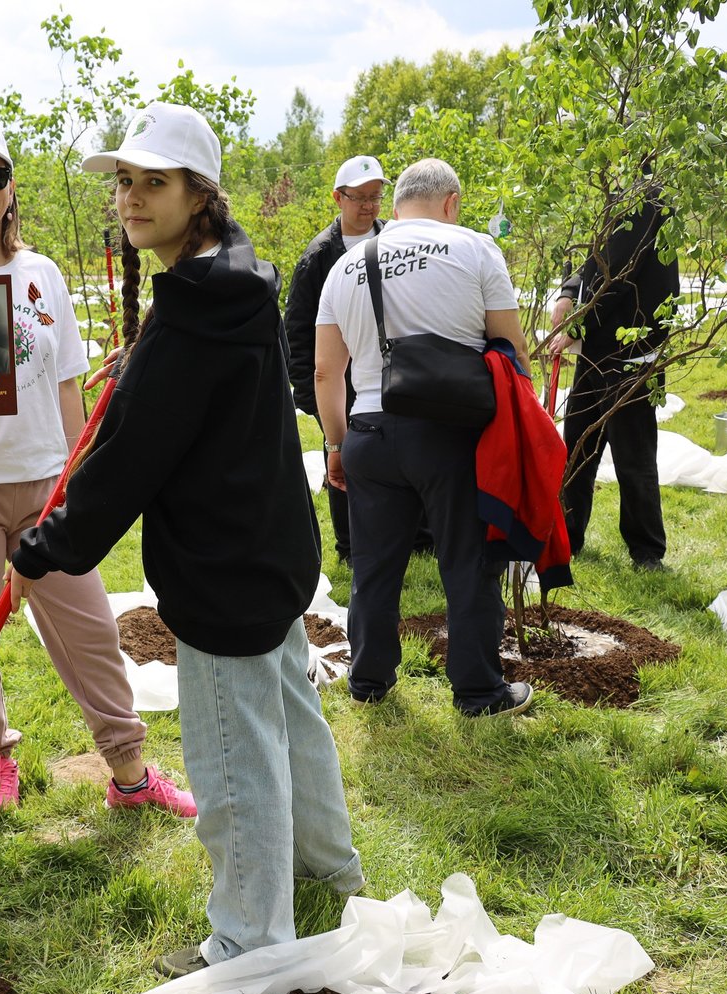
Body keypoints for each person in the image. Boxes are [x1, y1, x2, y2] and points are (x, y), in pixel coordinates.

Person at [9, 102, 363, 976]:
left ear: (198, 194)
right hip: (272, 551)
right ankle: (329, 871)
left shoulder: (192, 314)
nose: (130, 198)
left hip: (222, 569)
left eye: (152, 183)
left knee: (234, 761)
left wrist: (43, 548)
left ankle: (249, 940)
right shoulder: (235, 278)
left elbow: (128, 463)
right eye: (125, 182)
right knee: (293, 721)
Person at [0, 117, 191, 820]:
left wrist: (78, 480)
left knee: (90, 629)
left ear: (9, 187)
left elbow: (67, 386)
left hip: (43, 485)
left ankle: (129, 773)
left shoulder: (43, 275)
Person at [313, 158, 535, 718]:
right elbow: (513, 349)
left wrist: (336, 445)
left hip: (368, 432)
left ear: (394, 207)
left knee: (373, 567)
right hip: (451, 433)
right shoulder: (475, 248)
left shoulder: (346, 266)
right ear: (451, 203)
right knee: (468, 563)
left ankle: (368, 680)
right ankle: (478, 692)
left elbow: (324, 371)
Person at [549, 178, 677, 571]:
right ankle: (567, 536)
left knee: (633, 454)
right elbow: (598, 260)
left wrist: (577, 326)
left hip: (630, 352)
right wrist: (569, 291)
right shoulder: (617, 198)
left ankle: (647, 551)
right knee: (577, 446)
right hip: (598, 348)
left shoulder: (647, 198)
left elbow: (618, 272)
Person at [284, 154, 387, 562]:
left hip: (387, 371)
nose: (368, 206)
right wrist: (312, 397)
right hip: (338, 380)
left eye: (375, 197)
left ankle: (417, 537)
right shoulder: (318, 257)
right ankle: (349, 545)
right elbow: (297, 331)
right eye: (359, 197)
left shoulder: (393, 239)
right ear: (338, 198)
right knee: (344, 455)